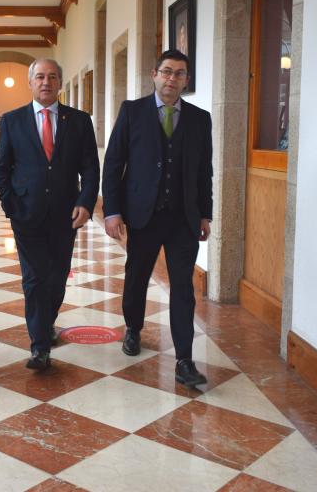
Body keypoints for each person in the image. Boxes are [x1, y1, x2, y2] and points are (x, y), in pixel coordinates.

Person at [102, 49, 213, 388]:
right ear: (154, 74)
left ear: (186, 80)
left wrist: (205, 213)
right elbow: (113, 163)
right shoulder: (132, 112)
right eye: (166, 71)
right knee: (136, 276)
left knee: (183, 287)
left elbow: (204, 172)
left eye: (179, 73)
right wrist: (112, 210)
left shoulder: (199, 118)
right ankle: (133, 328)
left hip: (183, 218)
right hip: (142, 215)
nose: (172, 79)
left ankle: (184, 359)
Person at [0, 58, 99, 370]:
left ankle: (46, 322)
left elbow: (90, 168)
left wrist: (85, 202)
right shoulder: (12, 120)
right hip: (26, 213)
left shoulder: (79, 121)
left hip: (67, 213)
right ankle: (39, 345)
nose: (45, 82)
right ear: (30, 82)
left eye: (52, 77)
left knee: (56, 276)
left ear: (60, 83)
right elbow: (2, 168)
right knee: (35, 278)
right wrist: (9, 204)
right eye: (39, 76)